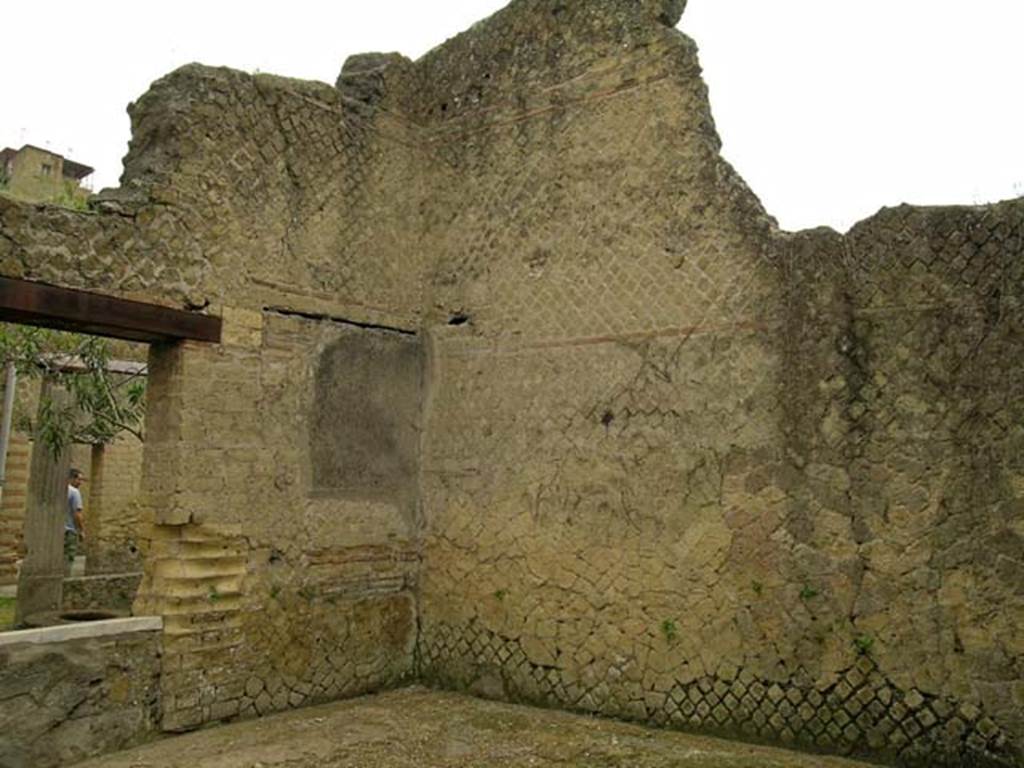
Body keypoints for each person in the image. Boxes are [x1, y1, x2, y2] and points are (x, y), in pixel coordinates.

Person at [65, 468, 86, 575]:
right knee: (68, 558)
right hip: (69, 531)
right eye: (79, 479)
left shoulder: (60, 490)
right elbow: (77, 514)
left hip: (57, 530)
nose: (81, 483)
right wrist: (81, 530)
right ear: (71, 479)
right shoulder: (74, 492)